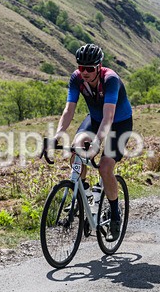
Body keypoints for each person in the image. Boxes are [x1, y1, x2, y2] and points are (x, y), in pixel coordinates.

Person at [52, 43, 133, 242]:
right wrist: (58, 134)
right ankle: (86, 193)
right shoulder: (76, 79)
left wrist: (97, 143)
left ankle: (115, 215)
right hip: (95, 119)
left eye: (89, 68)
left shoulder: (110, 79)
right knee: (76, 150)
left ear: (99, 66)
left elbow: (109, 117)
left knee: (105, 167)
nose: (85, 72)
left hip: (119, 123)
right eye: (81, 67)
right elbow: (69, 109)